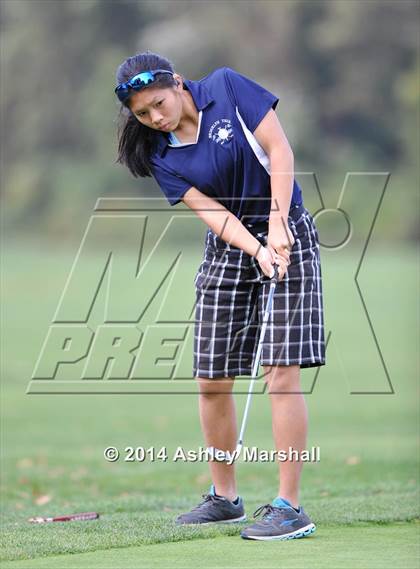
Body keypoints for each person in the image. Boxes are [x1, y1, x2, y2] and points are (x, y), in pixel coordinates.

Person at [114, 50, 326, 541]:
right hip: (231, 245)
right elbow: (213, 214)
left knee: (281, 371)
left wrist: (276, 227)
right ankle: (225, 499)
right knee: (211, 376)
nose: (155, 118)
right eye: (143, 114)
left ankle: (290, 506)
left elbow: (280, 151)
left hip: (287, 230)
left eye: (158, 104)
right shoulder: (159, 152)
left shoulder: (228, 89)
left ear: (178, 83)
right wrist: (254, 247)